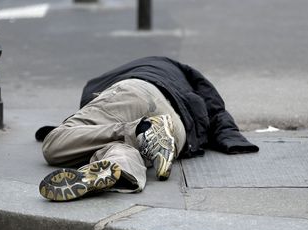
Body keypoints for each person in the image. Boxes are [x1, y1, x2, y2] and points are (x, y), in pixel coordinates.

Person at [36, 56, 259, 201]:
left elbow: (87, 105)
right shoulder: (184, 74)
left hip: (134, 94)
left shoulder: (114, 75)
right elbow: (215, 107)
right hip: (178, 130)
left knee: (54, 145)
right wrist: (232, 139)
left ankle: (142, 129)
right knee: (118, 148)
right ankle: (119, 170)